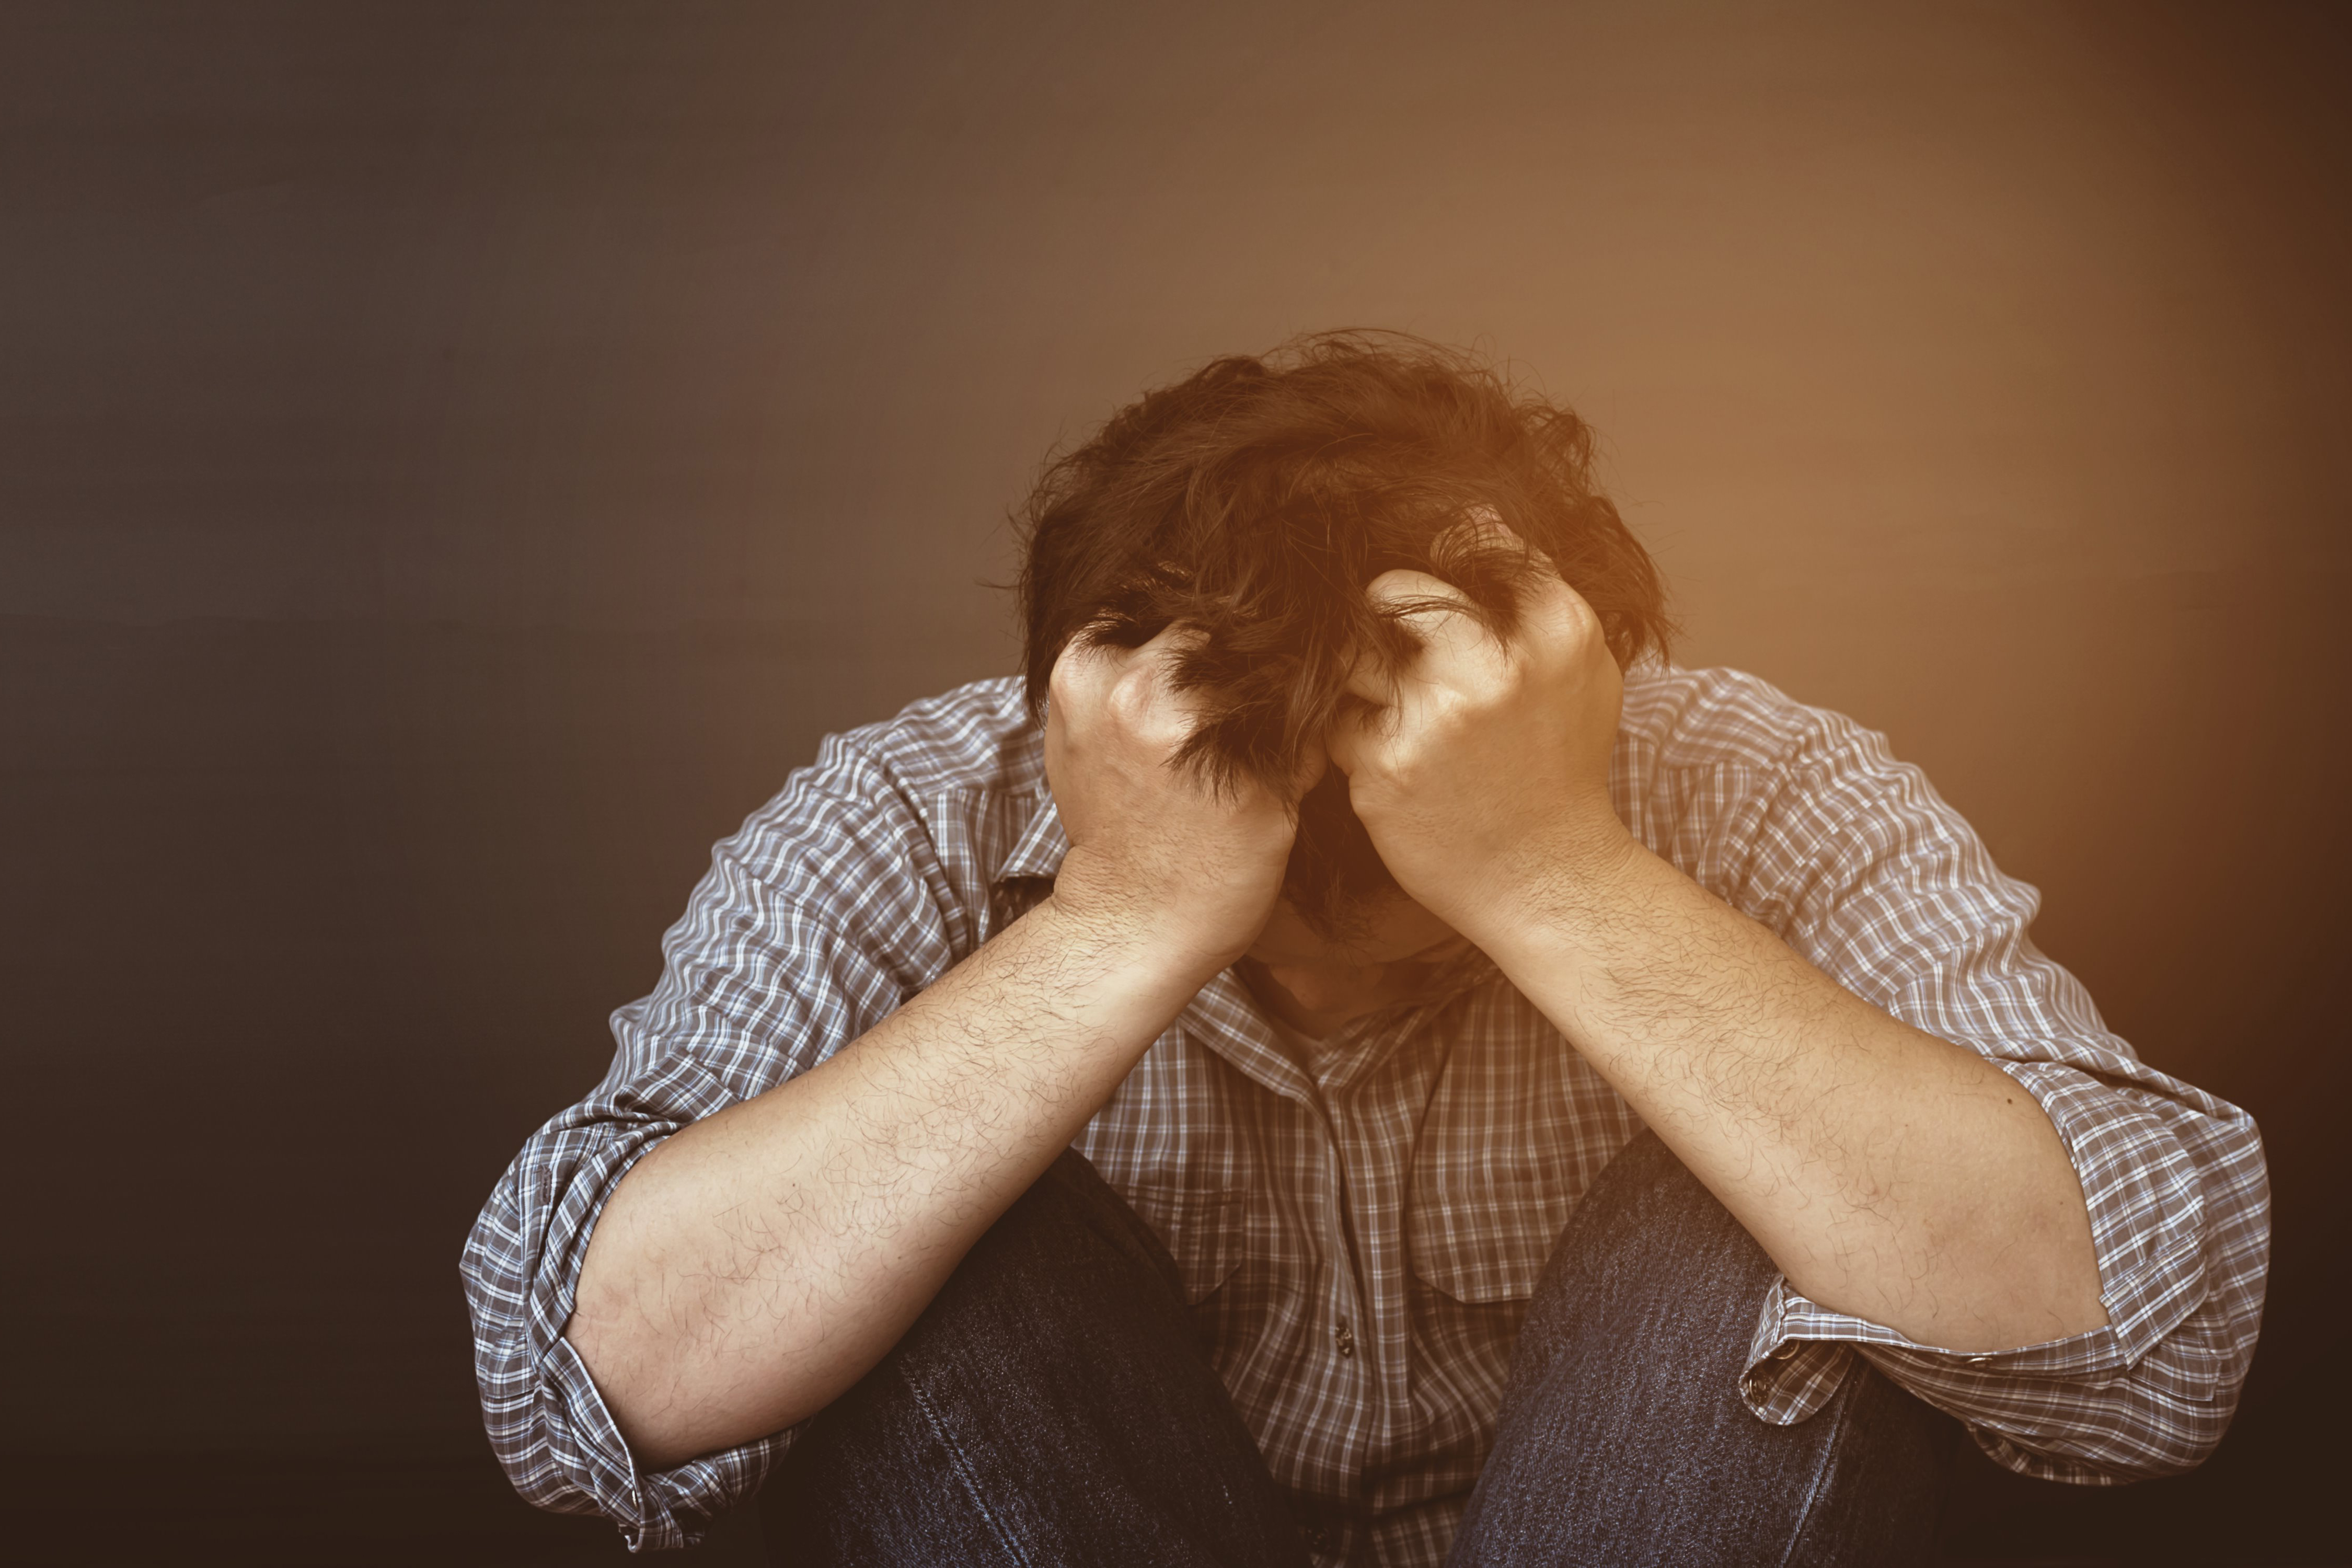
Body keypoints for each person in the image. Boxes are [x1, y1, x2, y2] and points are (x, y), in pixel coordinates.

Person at [462, 333, 2269, 1566]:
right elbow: (575, 1396)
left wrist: (1552, 871)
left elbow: (2154, 1356)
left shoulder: (1753, 783)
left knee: (1791, 1179)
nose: (1339, 962)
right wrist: (1124, 919)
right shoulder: (912, 811)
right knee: (886, 1200)